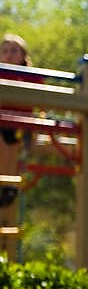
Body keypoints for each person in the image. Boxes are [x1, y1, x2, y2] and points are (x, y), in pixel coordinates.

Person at [0, 33, 34, 211]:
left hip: (19, 126)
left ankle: (10, 184)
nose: (8, 54)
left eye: (13, 51)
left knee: (10, 138)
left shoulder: (30, 76)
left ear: (23, 56)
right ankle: (7, 183)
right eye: (4, 51)